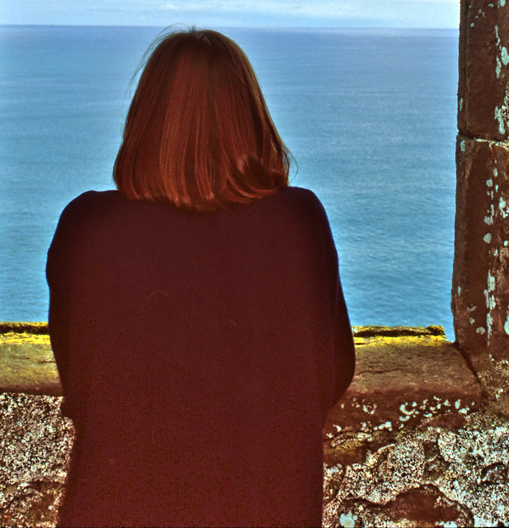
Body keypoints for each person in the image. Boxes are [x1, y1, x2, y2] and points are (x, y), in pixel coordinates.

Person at [47, 28, 355, 528]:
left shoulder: (88, 227)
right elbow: (333, 369)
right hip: (267, 505)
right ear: (251, 120)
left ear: (146, 121)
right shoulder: (298, 220)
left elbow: (80, 382)